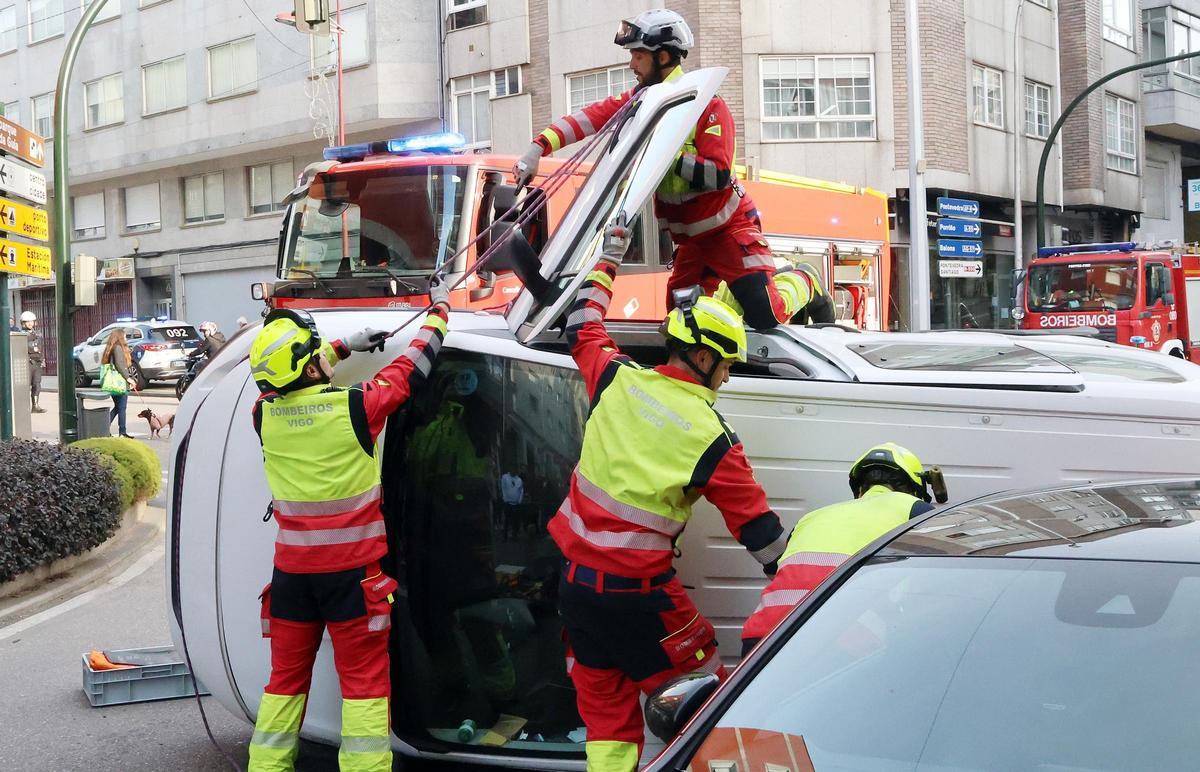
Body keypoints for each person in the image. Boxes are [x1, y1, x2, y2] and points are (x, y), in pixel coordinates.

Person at [548, 227, 787, 771]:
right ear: (703, 357)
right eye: (726, 364)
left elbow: (581, 323)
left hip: (577, 591)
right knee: (709, 708)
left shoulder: (616, 378)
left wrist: (609, 258)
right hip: (642, 600)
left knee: (607, 724)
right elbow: (763, 539)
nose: (727, 377)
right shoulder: (713, 437)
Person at [246, 281, 451, 772]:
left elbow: (300, 379)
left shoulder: (263, 415)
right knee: (363, 686)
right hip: (353, 579)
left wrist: (343, 346)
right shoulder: (356, 406)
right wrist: (439, 314)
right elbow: (411, 368)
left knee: (284, 684)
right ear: (310, 364)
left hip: (293, 578)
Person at [514, 9, 820, 330]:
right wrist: (538, 148)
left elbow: (717, 174)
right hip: (690, 242)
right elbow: (590, 118)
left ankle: (805, 279)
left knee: (764, 314)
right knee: (680, 323)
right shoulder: (643, 104)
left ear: (662, 57)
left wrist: (663, 156)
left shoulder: (706, 106)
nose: (631, 64)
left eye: (637, 56)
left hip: (728, 232)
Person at [740, 443, 942, 656]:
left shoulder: (811, 518)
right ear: (914, 488)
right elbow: (933, 590)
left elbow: (785, 575)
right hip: (838, 641)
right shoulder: (916, 511)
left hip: (761, 641)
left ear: (860, 488)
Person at [100, 329, 137, 437]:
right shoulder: (118, 348)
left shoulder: (111, 348)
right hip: (119, 384)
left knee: (118, 407)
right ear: (120, 337)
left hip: (114, 383)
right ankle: (122, 432)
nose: (126, 339)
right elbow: (120, 365)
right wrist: (129, 378)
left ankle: (104, 427)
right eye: (125, 336)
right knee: (122, 408)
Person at [20, 311, 45, 413]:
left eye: (32, 321)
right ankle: (23, 407)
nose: (30, 323)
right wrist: (32, 348)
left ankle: (35, 405)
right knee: (24, 386)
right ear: (23, 323)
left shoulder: (37, 333)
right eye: (27, 322)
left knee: (37, 384)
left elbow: (40, 348)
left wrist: (42, 359)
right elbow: (24, 348)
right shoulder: (20, 335)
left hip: (37, 362)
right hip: (27, 362)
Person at [499, 468, 524, 537]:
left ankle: (514, 535)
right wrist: (505, 499)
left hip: (516, 503)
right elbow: (503, 488)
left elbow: (521, 490)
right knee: (506, 520)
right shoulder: (505, 477)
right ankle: (505, 536)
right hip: (507, 503)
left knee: (515, 520)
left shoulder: (519, 479)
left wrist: (519, 500)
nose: (515, 472)